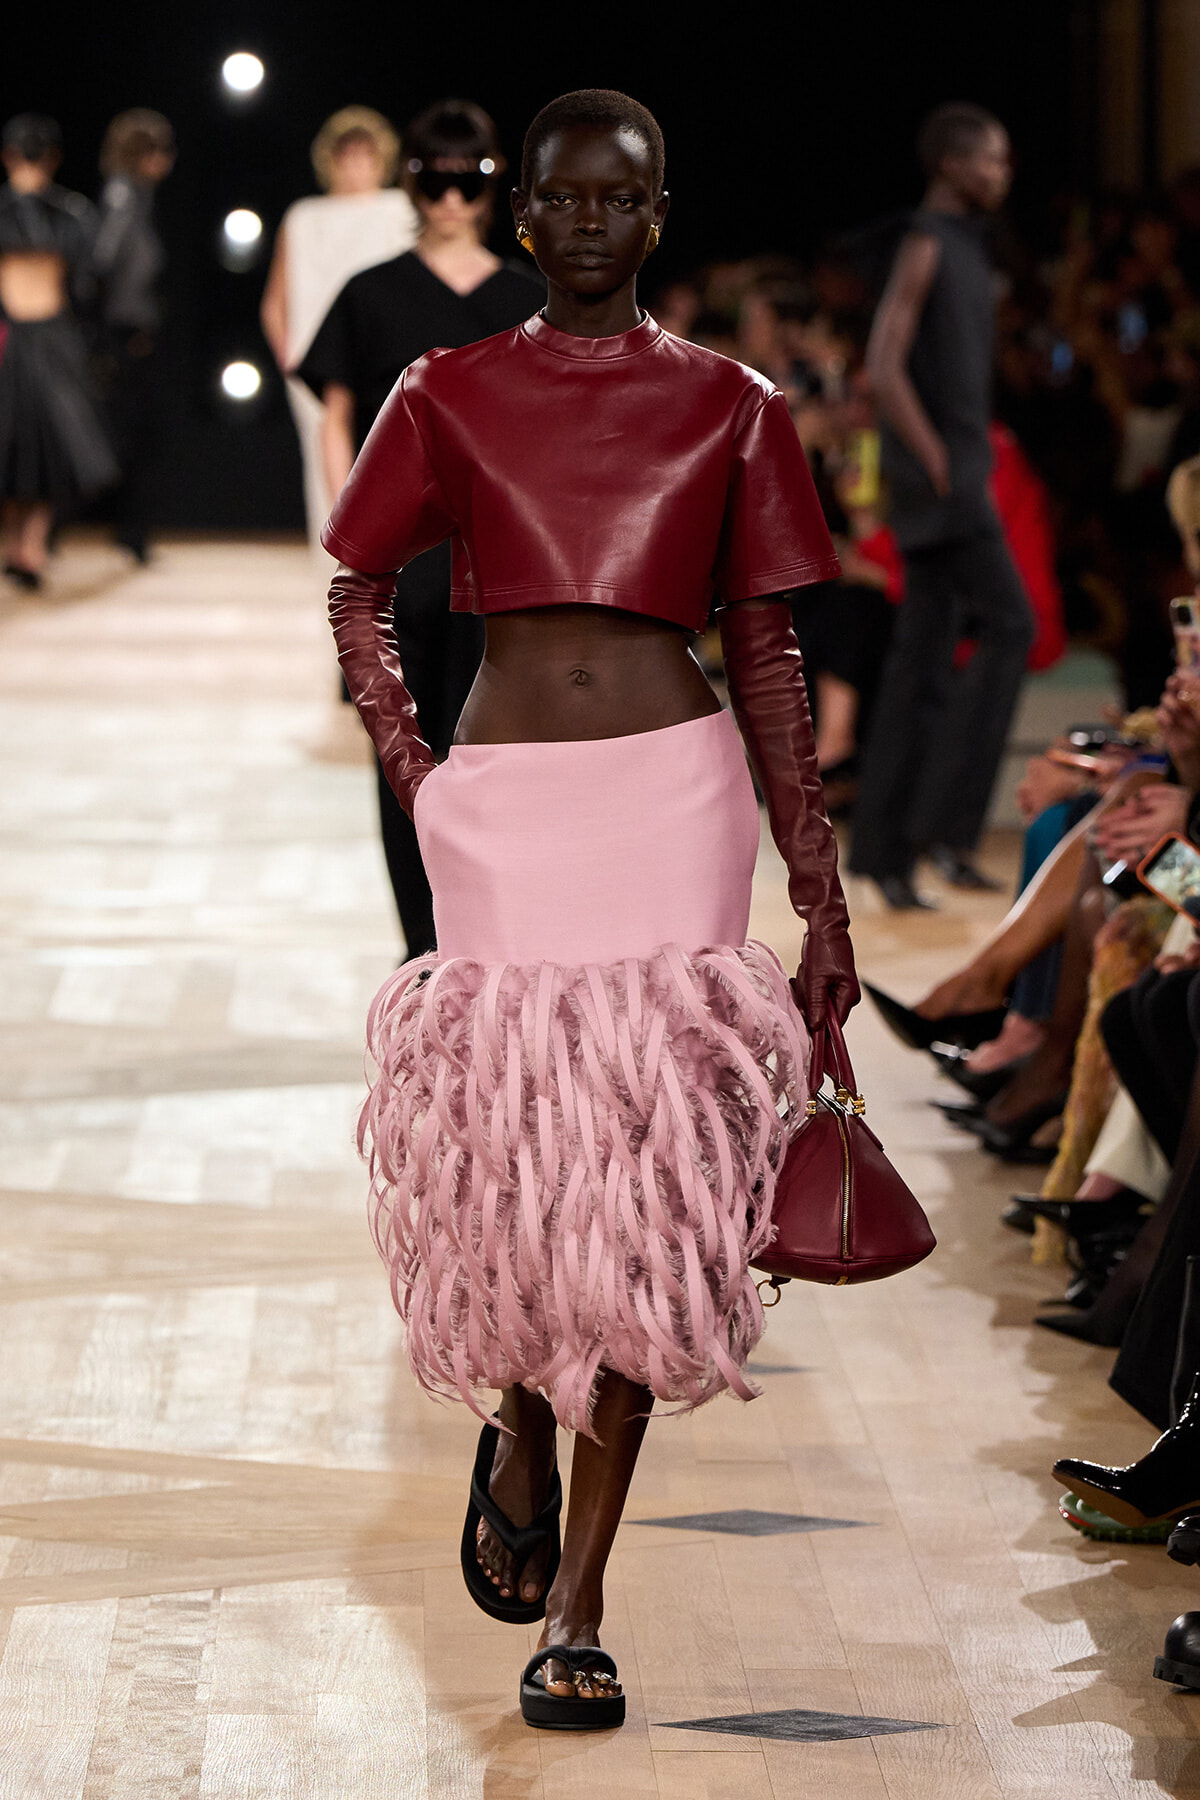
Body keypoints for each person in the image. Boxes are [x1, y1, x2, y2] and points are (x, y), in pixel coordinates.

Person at [323, 89, 855, 1727]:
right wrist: (420, 772)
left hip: (672, 799)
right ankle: (524, 1421)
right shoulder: (449, 389)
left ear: (655, 213)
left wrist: (818, 891)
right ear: (526, 213)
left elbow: (767, 653)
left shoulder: (733, 405)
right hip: (508, 808)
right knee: (508, 1155)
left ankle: (580, 1597)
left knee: (638, 1176)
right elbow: (357, 581)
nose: (579, 224)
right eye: (554, 199)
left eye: (614, 199)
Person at [298, 99, 543, 958]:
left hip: (504, 564)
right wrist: (352, 524)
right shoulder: (371, 293)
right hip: (404, 560)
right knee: (403, 755)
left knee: (494, 756)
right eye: (434, 180)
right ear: (414, 184)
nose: (449, 198)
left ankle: (483, 936)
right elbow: (335, 413)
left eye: (468, 180)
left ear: (493, 186)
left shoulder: (529, 298)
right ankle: (424, 948)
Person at [848, 103, 1034, 908]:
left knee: (920, 661)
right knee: (1012, 625)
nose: (1002, 171)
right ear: (955, 163)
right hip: (948, 486)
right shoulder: (927, 238)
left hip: (947, 480)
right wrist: (937, 462)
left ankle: (889, 851)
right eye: (991, 158)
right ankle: (943, 832)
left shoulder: (957, 244)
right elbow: (882, 365)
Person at [259, 107, 418, 555]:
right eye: (345, 153)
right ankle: (336, 579)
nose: (354, 163)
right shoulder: (304, 216)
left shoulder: (399, 208)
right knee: (325, 469)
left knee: (390, 463)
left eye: (364, 153)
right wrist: (290, 359)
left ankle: (392, 578)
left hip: (384, 363)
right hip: (316, 365)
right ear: (329, 158)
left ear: (380, 157)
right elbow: (275, 302)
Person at [0, 114, 117, 589]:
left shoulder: (69, 214)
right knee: (30, 445)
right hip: (32, 337)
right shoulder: (72, 215)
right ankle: (24, 546)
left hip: (34, 336)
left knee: (43, 445)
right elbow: (90, 283)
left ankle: (24, 546)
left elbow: (89, 282)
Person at [92, 109, 175, 563]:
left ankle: (133, 534)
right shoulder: (124, 196)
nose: (167, 159)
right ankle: (127, 534)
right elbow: (104, 263)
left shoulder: (135, 197)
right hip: (123, 334)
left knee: (133, 433)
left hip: (130, 330)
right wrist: (116, 328)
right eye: (159, 149)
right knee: (118, 432)